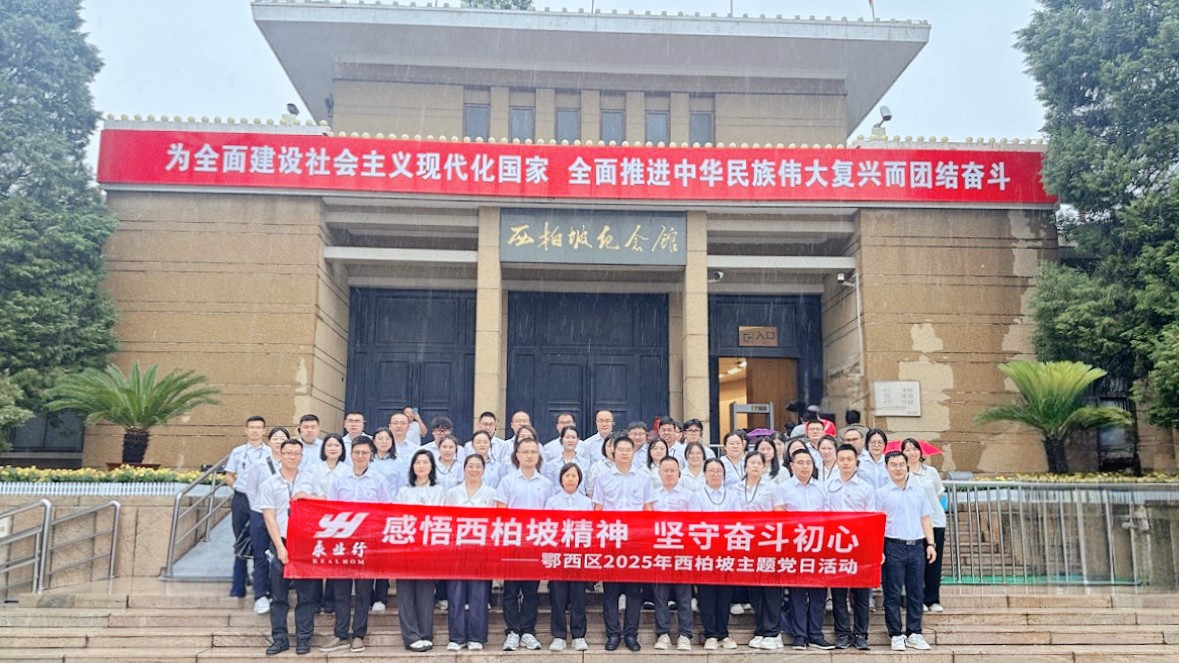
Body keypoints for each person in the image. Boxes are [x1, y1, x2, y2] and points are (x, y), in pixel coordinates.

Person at [317, 437, 392, 653]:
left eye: (364, 453)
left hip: (368, 543)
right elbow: (331, 511)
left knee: (363, 591)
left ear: (371, 455)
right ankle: (340, 634)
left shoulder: (378, 480)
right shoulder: (340, 479)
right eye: (357, 452)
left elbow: (386, 511)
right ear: (350, 455)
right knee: (341, 592)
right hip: (343, 543)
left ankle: (359, 634)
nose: (360, 456)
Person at [591, 435, 653, 652]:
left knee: (634, 592)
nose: (625, 453)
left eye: (629, 449)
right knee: (611, 592)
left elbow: (648, 510)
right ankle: (613, 634)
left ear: (633, 452)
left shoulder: (644, 478)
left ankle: (631, 634)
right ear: (613, 452)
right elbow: (598, 510)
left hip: (635, 542)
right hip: (611, 541)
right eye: (621, 449)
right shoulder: (603, 477)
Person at [495, 437, 552, 651]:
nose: (529, 455)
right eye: (525, 451)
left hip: (535, 544)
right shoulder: (507, 481)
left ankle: (527, 631)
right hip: (512, 544)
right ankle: (512, 632)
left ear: (538, 456)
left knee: (531, 591)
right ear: (517, 455)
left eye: (533, 452)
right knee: (510, 591)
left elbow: (549, 516)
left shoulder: (546, 484)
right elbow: (501, 513)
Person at [259, 439, 315, 655]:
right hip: (281, 542)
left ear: (301, 456)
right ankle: (280, 638)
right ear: (280, 455)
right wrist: (280, 548)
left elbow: (325, 501)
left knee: (306, 596)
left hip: (306, 544)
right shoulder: (269, 483)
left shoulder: (310, 480)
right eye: (288, 453)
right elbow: (269, 517)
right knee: (279, 596)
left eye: (296, 453)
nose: (292, 457)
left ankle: (303, 638)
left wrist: (308, 496)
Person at [877, 450, 936, 651]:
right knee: (892, 593)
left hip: (917, 546)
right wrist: (879, 549)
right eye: (893, 465)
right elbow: (878, 524)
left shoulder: (918, 491)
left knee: (916, 592)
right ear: (887, 467)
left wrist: (931, 544)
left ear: (907, 466)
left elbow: (925, 518)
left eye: (901, 464)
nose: (898, 468)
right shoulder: (881, 493)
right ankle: (895, 634)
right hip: (892, 546)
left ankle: (914, 632)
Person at [777, 448, 834, 650]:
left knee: (818, 592)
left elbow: (828, 517)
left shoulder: (822, 488)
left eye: (808, 463)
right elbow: (780, 517)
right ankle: (799, 635)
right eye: (800, 462)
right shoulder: (783, 488)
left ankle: (816, 634)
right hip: (794, 547)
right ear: (792, 466)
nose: (804, 466)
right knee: (797, 593)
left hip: (818, 546)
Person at [824, 444, 876, 651]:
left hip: (860, 546)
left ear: (856, 462)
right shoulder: (828, 485)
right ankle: (842, 634)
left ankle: (861, 634)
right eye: (842, 459)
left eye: (849, 459)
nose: (845, 463)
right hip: (836, 546)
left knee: (861, 594)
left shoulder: (866, 488)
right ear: (836, 461)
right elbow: (824, 516)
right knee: (838, 594)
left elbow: (871, 518)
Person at [443, 453, 496, 651]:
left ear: (484, 469)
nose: (474, 470)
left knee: (479, 595)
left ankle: (476, 637)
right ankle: (456, 637)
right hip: (457, 550)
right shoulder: (453, 493)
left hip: (481, 551)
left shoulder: (491, 493)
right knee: (455, 594)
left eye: (477, 466)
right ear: (464, 469)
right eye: (470, 466)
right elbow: (446, 521)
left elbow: (495, 523)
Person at [396, 449, 446, 651]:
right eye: (418, 462)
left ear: (432, 466)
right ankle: (410, 636)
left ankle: (425, 633)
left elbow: (441, 518)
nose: (421, 466)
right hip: (406, 548)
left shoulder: (439, 491)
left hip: (428, 549)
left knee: (426, 593)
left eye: (425, 462)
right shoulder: (404, 491)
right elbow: (398, 518)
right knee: (405, 593)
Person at [238, 426, 289, 616]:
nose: (278, 441)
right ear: (269, 441)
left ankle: (278, 594)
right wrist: (260, 508)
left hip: (283, 516)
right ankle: (260, 595)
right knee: (260, 555)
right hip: (260, 514)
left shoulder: (292, 464)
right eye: (275, 438)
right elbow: (250, 489)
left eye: (282, 438)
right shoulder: (259, 464)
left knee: (281, 555)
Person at [738, 452, 786, 650]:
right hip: (746, 543)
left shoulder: (772, 487)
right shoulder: (736, 488)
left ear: (764, 466)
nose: (756, 466)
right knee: (755, 589)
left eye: (759, 463)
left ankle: (773, 631)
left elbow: (780, 514)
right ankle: (760, 629)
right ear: (745, 466)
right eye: (752, 462)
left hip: (768, 542)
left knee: (771, 588)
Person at [689, 458, 737, 650]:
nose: (715, 474)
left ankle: (723, 633)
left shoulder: (732, 496)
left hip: (726, 551)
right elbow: (694, 523)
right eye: (711, 471)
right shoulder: (697, 496)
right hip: (705, 552)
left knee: (725, 595)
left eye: (719, 471)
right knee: (707, 594)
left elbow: (738, 521)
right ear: (705, 474)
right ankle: (710, 634)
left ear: (724, 474)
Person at [544, 462, 593, 652]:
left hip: (578, 555)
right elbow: (548, 527)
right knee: (558, 596)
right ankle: (559, 635)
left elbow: (590, 529)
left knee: (578, 596)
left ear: (579, 479)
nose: (570, 479)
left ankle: (579, 635)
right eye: (567, 476)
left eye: (574, 476)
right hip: (558, 555)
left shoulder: (586, 503)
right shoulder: (552, 502)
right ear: (561, 479)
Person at [224, 415, 269, 610]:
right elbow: (229, 475)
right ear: (246, 430)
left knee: (261, 544)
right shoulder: (238, 451)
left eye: (258, 427)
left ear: (264, 430)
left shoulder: (269, 453)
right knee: (240, 540)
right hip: (241, 499)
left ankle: (262, 587)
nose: (255, 430)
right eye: (252, 427)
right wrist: (237, 487)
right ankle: (238, 585)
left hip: (261, 501)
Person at [650, 456, 695, 651]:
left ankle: (685, 634)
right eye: (665, 470)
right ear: (659, 473)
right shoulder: (651, 496)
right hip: (659, 551)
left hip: (682, 551)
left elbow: (694, 524)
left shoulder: (688, 496)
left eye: (673, 470)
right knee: (660, 595)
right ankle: (663, 634)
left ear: (679, 473)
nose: (669, 474)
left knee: (683, 595)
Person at [901, 438, 947, 614]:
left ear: (921, 452)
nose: (911, 453)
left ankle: (933, 599)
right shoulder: (902, 473)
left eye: (914, 449)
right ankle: (917, 599)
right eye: (907, 449)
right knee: (916, 564)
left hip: (935, 521)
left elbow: (938, 493)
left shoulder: (931, 472)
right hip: (913, 524)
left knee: (934, 562)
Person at [542, 425, 589, 494]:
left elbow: (588, 486)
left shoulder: (586, 463)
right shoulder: (551, 465)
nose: (570, 440)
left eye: (573, 437)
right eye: (567, 437)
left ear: (578, 440)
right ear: (561, 439)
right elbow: (548, 487)